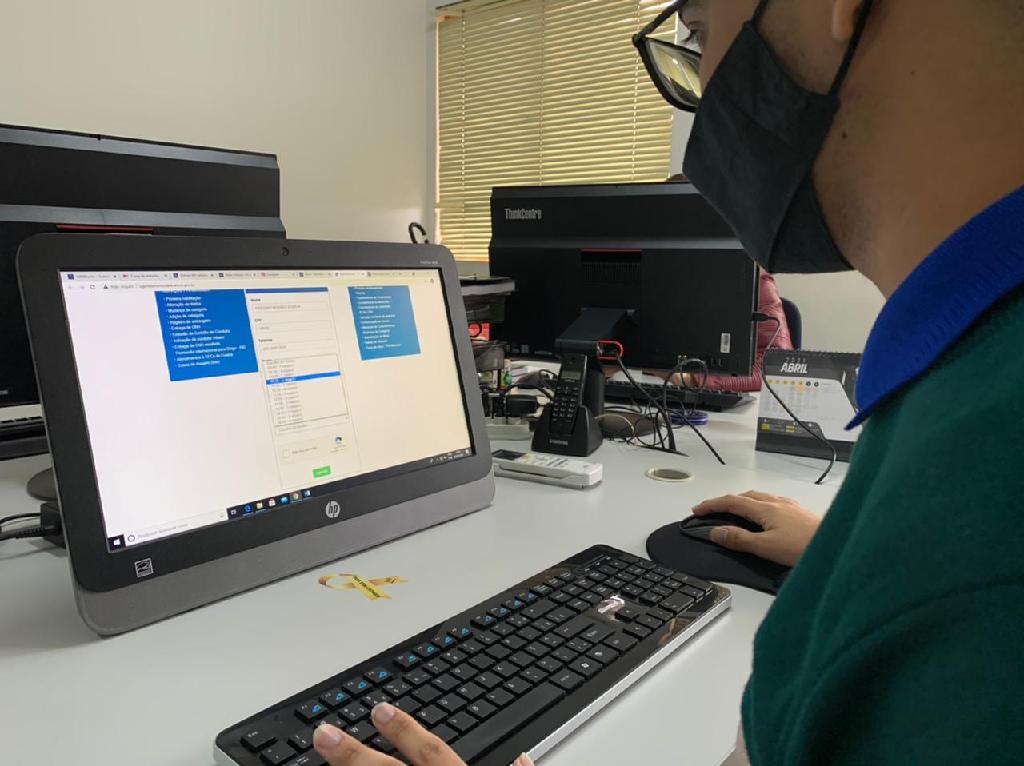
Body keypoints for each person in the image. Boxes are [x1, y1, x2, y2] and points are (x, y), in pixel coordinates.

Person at [309, 0, 1024, 763]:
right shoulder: (965, 410)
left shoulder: (983, 504)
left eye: (700, 31)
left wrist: (907, 575)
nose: (700, 87)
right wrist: (853, 561)